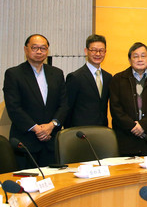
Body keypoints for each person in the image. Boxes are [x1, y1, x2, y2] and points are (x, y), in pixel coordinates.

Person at [3, 34, 67, 168]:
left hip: (51, 141)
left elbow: (64, 105)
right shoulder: (14, 74)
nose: (39, 51)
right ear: (26, 49)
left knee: (53, 183)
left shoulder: (57, 73)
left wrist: (51, 125)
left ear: (47, 50)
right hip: (25, 143)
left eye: (43, 48)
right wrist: (37, 129)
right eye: (35, 48)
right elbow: (14, 108)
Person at [110, 42, 147, 156]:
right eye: (135, 56)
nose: (140, 59)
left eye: (143, 55)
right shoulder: (118, 79)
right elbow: (116, 108)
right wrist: (133, 126)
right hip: (126, 136)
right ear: (130, 59)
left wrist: (143, 125)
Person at [65, 34, 112, 127]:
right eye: (94, 50)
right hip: (81, 132)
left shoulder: (108, 77)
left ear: (105, 52)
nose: (98, 54)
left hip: (102, 131)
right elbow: (67, 109)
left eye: (101, 50)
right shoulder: (75, 77)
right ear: (86, 51)